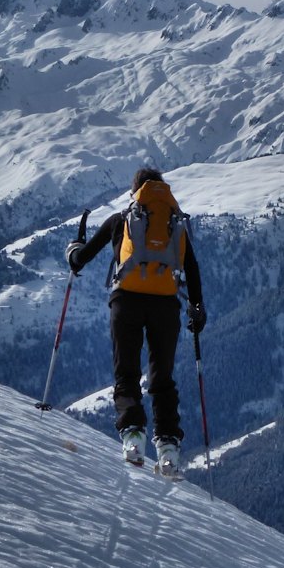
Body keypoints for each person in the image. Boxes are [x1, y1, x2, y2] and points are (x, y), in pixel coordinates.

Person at [65, 167, 206, 474]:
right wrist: (197, 308)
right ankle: (168, 448)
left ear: (135, 192)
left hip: (125, 303)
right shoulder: (174, 225)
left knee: (126, 374)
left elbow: (82, 258)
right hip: (166, 308)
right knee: (162, 376)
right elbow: (191, 269)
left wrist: (73, 252)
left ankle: (133, 438)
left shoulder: (122, 221)